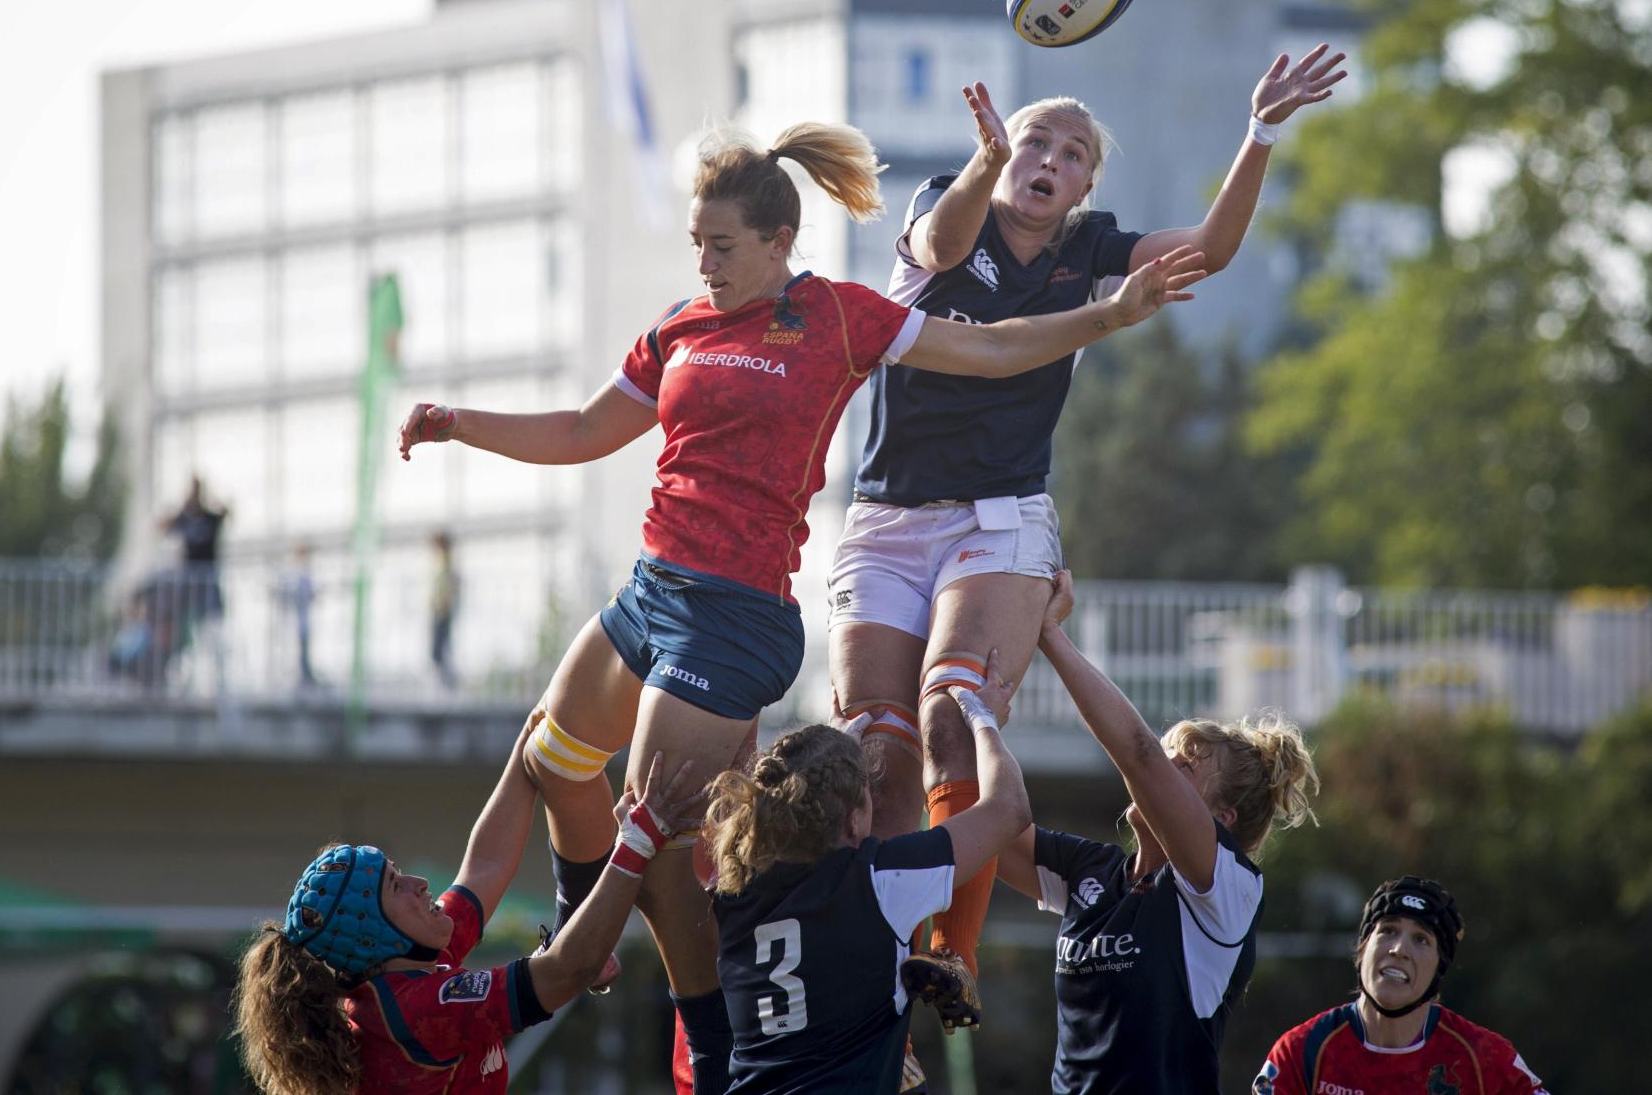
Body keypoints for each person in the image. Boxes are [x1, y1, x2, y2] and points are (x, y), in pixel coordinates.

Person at [397, 121, 1205, 1093]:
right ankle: (586, 933)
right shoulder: (678, 322)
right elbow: (579, 428)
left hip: (734, 617)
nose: (704, 262)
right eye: (696, 242)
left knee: (655, 831)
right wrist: (456, 423)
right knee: (548, 753)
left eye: (722, 245)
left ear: (779, 240)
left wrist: (1107, 316)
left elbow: (990, 350)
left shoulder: (837, 318)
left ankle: (709, 1042)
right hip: (652, 586)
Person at [826, 45, 1348, 1036]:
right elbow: (936, 248)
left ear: (1082, 189)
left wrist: (1259, 132)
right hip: (886, 520)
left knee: (951, 712)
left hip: (998, 516)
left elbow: (1211, 248)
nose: (1048, 158)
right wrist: (980, 162)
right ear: (999, 147)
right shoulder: (949, 200)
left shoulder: (1086, 246)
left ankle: (951, 952)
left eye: (1070, 153)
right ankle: (876, 1001)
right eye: (1034, 140)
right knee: (871, 756)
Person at [233, 721, 700, 1095]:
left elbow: (485, 868)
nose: (420, 885)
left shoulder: (410, 960)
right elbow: (566, 972)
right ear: (372, 934)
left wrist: (527, 749)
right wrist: (637, 842)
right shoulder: (414, 1010)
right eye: (396, 886)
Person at [991, 571, 1319, 1093]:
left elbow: (1140, 756)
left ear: (1223, 820)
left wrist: (1049, 633)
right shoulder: (1092, 872)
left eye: (1184, 767)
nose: (1164, 769)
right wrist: (974, 717)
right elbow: (992, 831)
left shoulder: (1225, 888)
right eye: (1169, 757)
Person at [707, 666, 1030, 1093]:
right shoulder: (877, 880)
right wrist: (984, 720)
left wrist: (826, 755)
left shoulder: (734, 893)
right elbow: (1009, 809)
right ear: (855, 819)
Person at [1254, 877, 1549, 1095]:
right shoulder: (1303, 1050)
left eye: (1421, 939)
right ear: (1362, 948)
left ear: (1439, 967)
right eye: (1388, 930)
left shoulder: (1484, 1058)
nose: (1399, 949)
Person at [162, 474, 230, 627]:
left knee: (214, 619)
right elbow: (162, 526)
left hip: (208, 575)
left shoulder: (210, 517)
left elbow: (227, 512)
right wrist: (182, 506)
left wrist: (211, 495)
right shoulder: (184, 518)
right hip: (189, 576)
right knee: (184, 614)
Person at [279, 543, 318, 691]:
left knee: (304, 649)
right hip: (296, 622)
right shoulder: (295, 573)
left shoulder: (306, 573)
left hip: (303, 621)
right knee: (299, 650)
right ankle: (302, 677)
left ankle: (305, 677)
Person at [430, 532, 460, 690]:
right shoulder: (441, 564)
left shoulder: (446, 566)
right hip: (439, 610)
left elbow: (448, 589)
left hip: (442, 611)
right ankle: (445, 683)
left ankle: (446, 684)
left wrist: (442, 603)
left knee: (440, 648)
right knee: (440, 648)